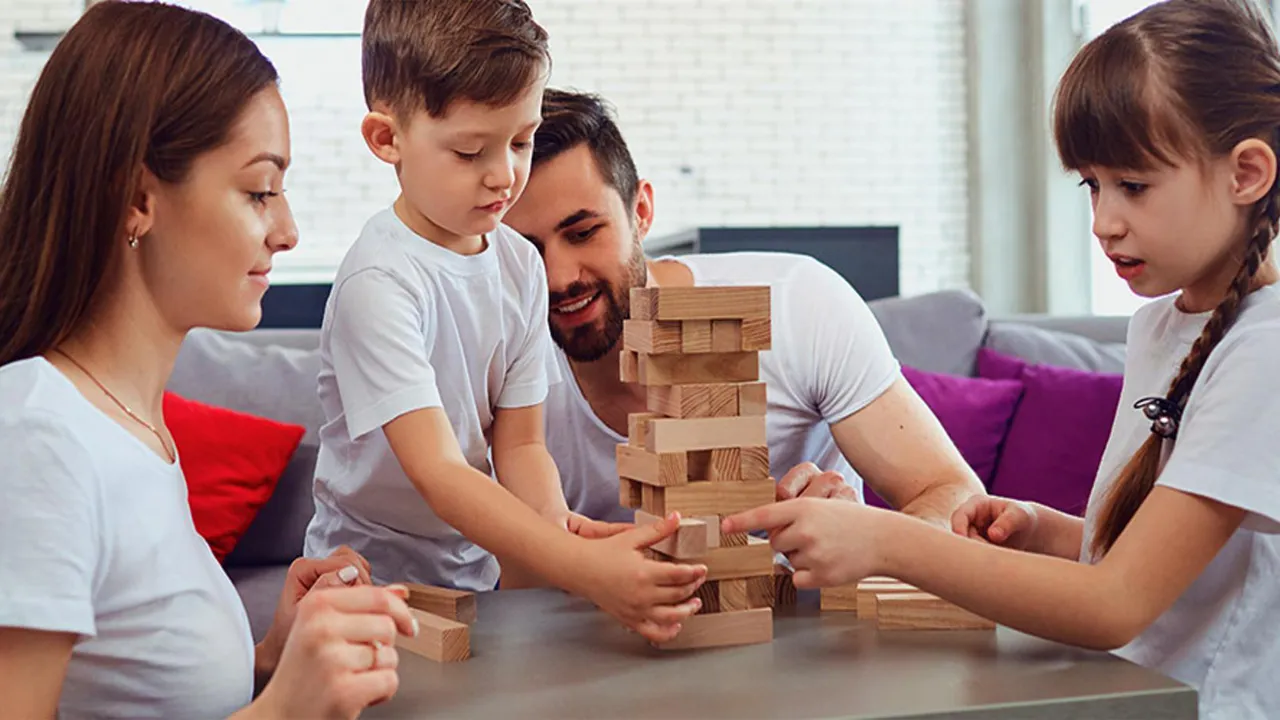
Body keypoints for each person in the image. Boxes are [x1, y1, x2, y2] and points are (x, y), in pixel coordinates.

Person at [724, 1, 1280, 717]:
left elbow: (1117, 605)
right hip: (1135, 693)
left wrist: (887, 541)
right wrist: (1047, 531)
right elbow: (1180, 565)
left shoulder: (1265, 352)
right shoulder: (1163, 328)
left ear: (1248, 173)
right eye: (1092, 184)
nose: (1104, 222)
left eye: (1133, 186)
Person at [0, 3, 417, 718]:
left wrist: (269, 656)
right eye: (259, 191)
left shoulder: (136, 429)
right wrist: (283, 711)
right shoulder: (40, 436)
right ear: (137, 199)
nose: (287, 230)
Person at [302, 0, 706, 644]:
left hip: (475, 570)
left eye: (521, 140)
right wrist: (576, 562)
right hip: (369, 580)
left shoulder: (519, 262)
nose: (505, 175)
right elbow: (438, 472)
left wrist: (555, 534)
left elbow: (519, 446)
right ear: (387, 140)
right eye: (469, 151)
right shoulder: (379, 284)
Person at [501, 89, 987, 525]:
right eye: (525, 251)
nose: (559, 277)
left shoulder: (798, 302)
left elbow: (951, 495)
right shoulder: (498, 363)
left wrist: (871, 538)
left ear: (641, 212)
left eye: (584, 233)